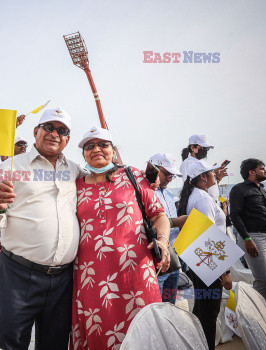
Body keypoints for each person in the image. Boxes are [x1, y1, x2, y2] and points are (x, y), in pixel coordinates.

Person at [0, 108, 88, 349]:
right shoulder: (10, 167)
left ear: (68, 139)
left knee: (55, 344)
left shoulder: (75, 170)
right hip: (18, 275)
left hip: (63, 279)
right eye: (48, 127)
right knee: (11, 343)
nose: (54, 134)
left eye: (62, 130)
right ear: (36, 131)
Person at [70, 128, 170, 349]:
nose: (96, 149)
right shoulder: (76, 186)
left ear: (113, 150)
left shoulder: (133, 176)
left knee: (143, 329)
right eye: (89, 146)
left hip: (135, 273)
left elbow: (159, 215)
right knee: (99, 327)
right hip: (92, 276)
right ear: (83, 155)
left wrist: (163, 241)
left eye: (103, 144)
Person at [177, 160, 232, 350]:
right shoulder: (202, 198)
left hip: (200, 261)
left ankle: (195, 345)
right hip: (208, 262)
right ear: (202, 177)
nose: (214, 175)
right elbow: (208, 236)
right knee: (209, 312)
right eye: (211, 172)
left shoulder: (195, 195)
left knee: (201, 309)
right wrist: (223, 272)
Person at [229, 158, 266, 309]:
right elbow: (234, 215)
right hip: (254, 238)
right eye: (262, 168)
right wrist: (247, 238)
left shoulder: (263, 190)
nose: (265, 171)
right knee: (264, 280)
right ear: (251, 172)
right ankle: (256, 315)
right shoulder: (239, 189)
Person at [149, 153, 188, 304]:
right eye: (167, 174)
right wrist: (177, 222)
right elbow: (148, 223)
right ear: (153, 169)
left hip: (173, 257)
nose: (169, 179)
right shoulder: (147, 193)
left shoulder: (170, 195)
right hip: (157, 259)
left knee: (170, 305)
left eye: (172, 176)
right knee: (157, 306)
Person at [180, 134, 227, 202]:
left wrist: (217, 178)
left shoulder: (203, 163)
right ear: (193, 148)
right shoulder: (188, 163)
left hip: (211, 201)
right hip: (202, 202)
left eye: (207, 148)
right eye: (203, 148)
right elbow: (189, 185)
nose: (205, 151)